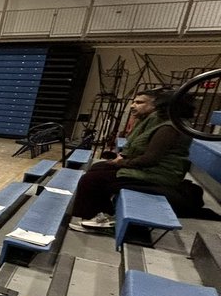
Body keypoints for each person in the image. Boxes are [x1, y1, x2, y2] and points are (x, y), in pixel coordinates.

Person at [68, 88, 194, 232]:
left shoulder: (170, 128)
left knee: (92, 179)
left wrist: (122, 163)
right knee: (99, 169)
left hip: (159, 175)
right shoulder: (173, 123)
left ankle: (98, 221)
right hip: (157, 171)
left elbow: (150, 159)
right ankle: (102, 214)